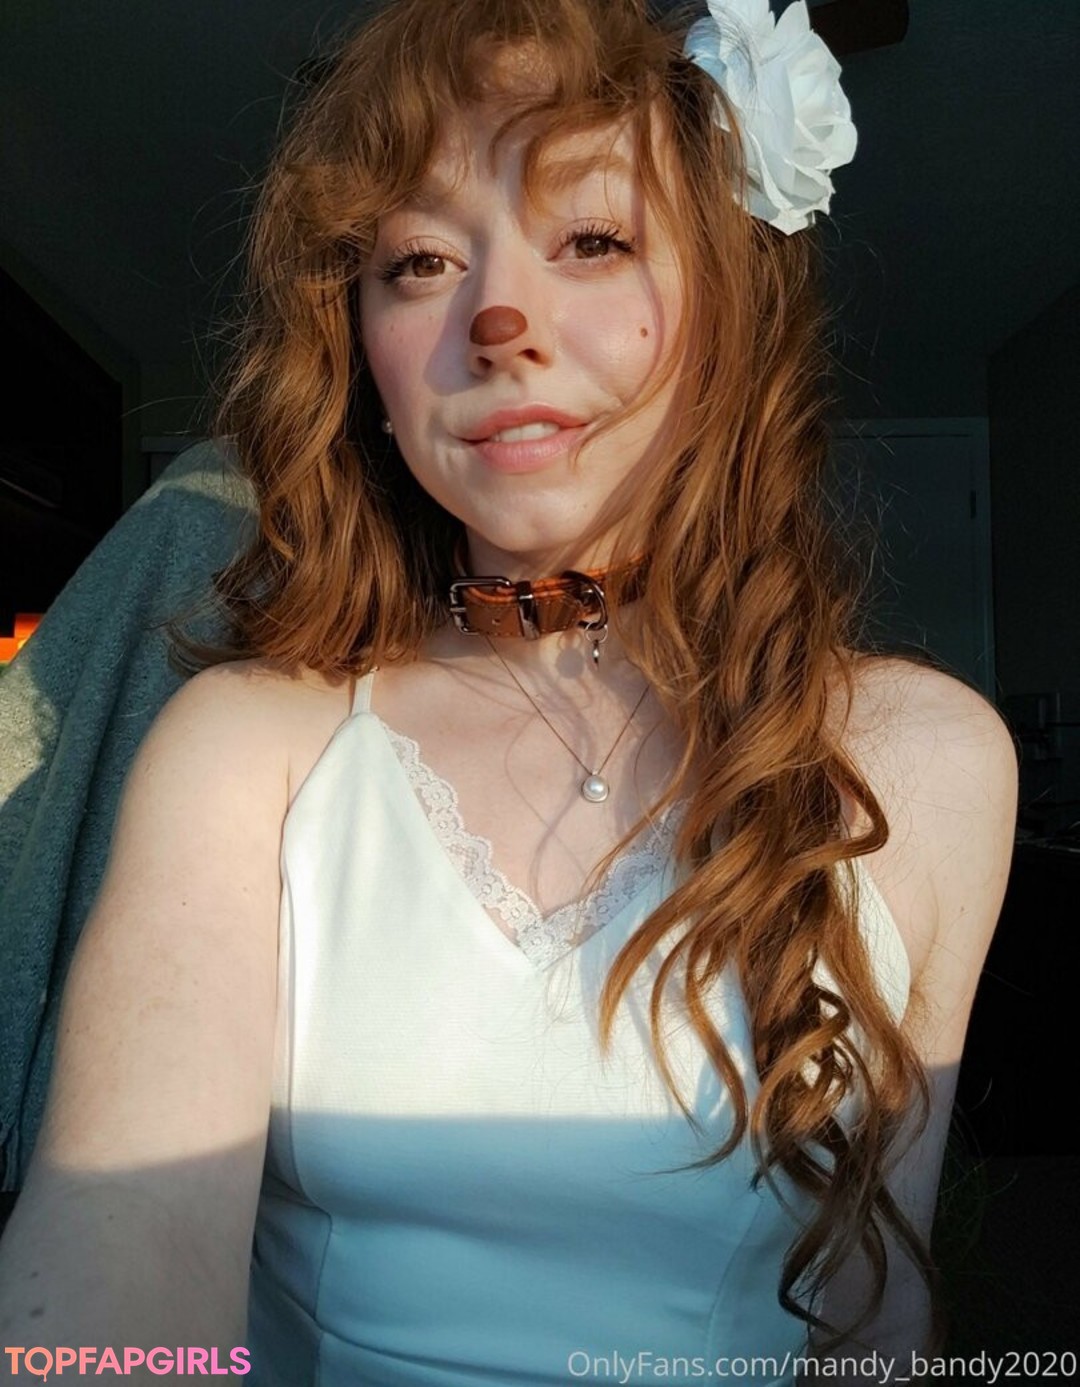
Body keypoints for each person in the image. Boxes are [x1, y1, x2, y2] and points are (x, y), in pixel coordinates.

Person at [0, 0, 1017, 1383]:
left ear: (726, 306)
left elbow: (875, 1325)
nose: (498, 317)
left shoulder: (930, 763)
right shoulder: (249, 748)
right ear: (364, 355)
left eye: (591, 239)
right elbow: (122, 1262)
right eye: (419, 261)